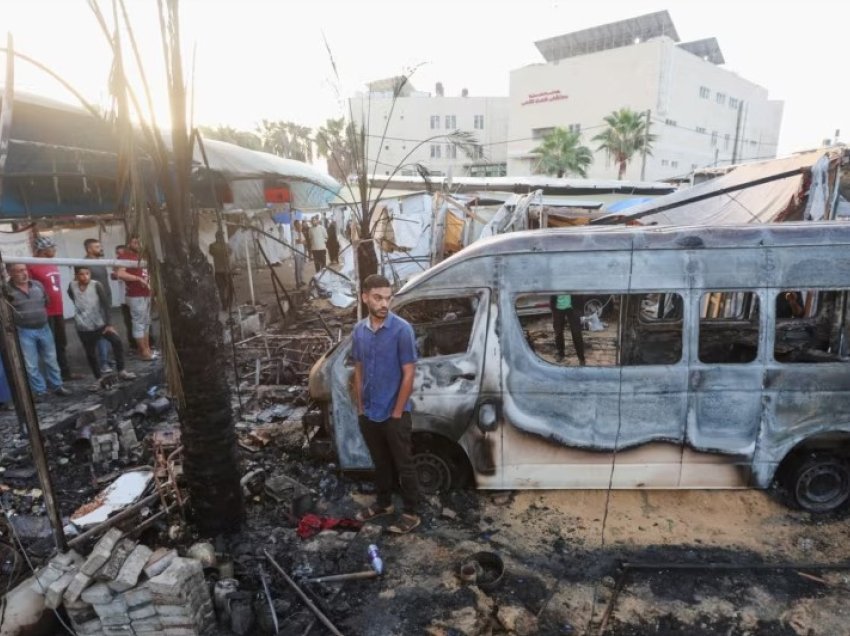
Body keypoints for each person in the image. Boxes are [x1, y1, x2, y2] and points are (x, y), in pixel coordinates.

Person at [352, 274, 422, 534]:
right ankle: (384, 504)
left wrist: (396, 412)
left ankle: (412, 512)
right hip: (369, 412)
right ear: (365, 298)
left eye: (388, 297)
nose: (384, 303)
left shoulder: (402, 330)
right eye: (378, 298)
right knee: (380, 462)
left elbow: (409, 373)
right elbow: (358, 370)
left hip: (395, 413)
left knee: (404, 464)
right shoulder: (359, 331)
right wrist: (360, 406)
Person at [5, 263, 71, 397]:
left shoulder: (37, 285)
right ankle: (40, 391)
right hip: (24, 331)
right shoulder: (6, 291)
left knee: (51, 359)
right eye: (17, 271)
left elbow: (46, 302)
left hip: (44, 328)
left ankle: (57, 386)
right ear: (10, 273)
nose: (23, 273)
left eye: (23, 270)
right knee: (31, 365)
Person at [67, 266, 136, 389]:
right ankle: (98, 378)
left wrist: (109, 324)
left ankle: (121, 370)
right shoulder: (72, 286)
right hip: (83, 325)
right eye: (81, 274)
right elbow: (71, 296)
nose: (85, 277)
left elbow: (105, 304)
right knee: (91, 353)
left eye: (87, 273)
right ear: (76, 275)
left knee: (117, 342)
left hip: (100, 323)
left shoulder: (96, 285)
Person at [27, 236, 75, 381]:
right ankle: (52, 377)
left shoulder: (52, 263)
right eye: (52, 248)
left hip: (58, 310)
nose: (54, 250)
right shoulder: (32, 265)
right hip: (45, 312)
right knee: (48, 346)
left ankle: (64, 373)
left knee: (61, 342)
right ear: (43, 250)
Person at [115, 235, 155, 360]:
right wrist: (138, 279)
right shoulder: (125, 256)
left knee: (146, 322)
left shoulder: (142, 256)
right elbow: (120, 273)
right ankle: (143, 352)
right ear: (129, 244)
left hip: (146, 293)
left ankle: (147, 349)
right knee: (138, 323)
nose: (138, 245)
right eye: (135, 242)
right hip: (135, 294)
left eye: (140, 242)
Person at [84, 238, 115, 373]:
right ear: (89, 249)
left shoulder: (100, 262)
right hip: (95, 303)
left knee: (108, 328)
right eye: (97, 247)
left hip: (106, 300)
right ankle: (103, 363)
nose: (100, 249)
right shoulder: (84, 264)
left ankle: (107, 359)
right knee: (101, 333)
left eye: (100, 246)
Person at [550, 294, 586, 366]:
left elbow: (579, 291)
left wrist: (581, 312)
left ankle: (581, 358)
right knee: (558, 332)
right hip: (557, 307)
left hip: (573, 307)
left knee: (576, 333)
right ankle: (560, 354)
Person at [208, 231, 234, 309]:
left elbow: (230, 252)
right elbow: (213, 252)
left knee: (230, 288)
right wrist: (223, 249)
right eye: (220, 236)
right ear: (217, 237)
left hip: (227, 270)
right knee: (222, 289)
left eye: (222, 236)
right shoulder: (213, 246)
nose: (222, 238)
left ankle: (229, 303)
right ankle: (224, 304)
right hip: (219, 271)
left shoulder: (226, 245)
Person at [292, 219, 307, 288]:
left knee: (302, 268)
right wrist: (301, 240)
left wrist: (301, 240)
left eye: (300, 224)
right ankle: (298, 282)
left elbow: (305, 242)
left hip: (302, 252)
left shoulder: (300, 233)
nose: (300, 225)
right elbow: (298, 241)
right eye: (298, 224)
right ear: (295, 225)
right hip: (297, 252)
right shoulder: (294, 233)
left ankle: (301, 280)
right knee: (297, 268)